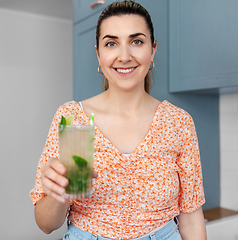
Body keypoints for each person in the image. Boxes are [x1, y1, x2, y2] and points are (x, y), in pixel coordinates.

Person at [29, 1, 207, 239]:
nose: (124, 56)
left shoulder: (178, 122)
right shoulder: (73, 118)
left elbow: (192, 219)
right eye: (111, 43)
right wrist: (60, 193)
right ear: (98, 54)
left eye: (136, 41)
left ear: (153, 50)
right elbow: (46, 224)